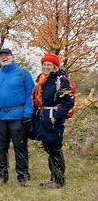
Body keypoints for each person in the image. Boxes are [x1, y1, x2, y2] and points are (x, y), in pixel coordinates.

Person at [0, 48, 35, 186]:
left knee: (20, 147)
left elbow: (30, 95)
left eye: (6, 55)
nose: (4, 57)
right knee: (0, 148)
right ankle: (2, 176)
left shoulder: (23, 73)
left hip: (18, 116)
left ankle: (23, 176)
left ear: (12, 57)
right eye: (1, 56)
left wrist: (27, 114)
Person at [31, 53, 74, 189]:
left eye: (49, 65)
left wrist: (56, 117)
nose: (46, 67)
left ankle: (60, 180)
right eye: (44, 64)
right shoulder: (41, 80)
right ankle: (53, 178)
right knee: (48, 148)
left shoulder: (61, 81)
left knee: (55, 148)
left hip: (54, 118)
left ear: (55, 66)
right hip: (43, 117)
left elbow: (68, 103)